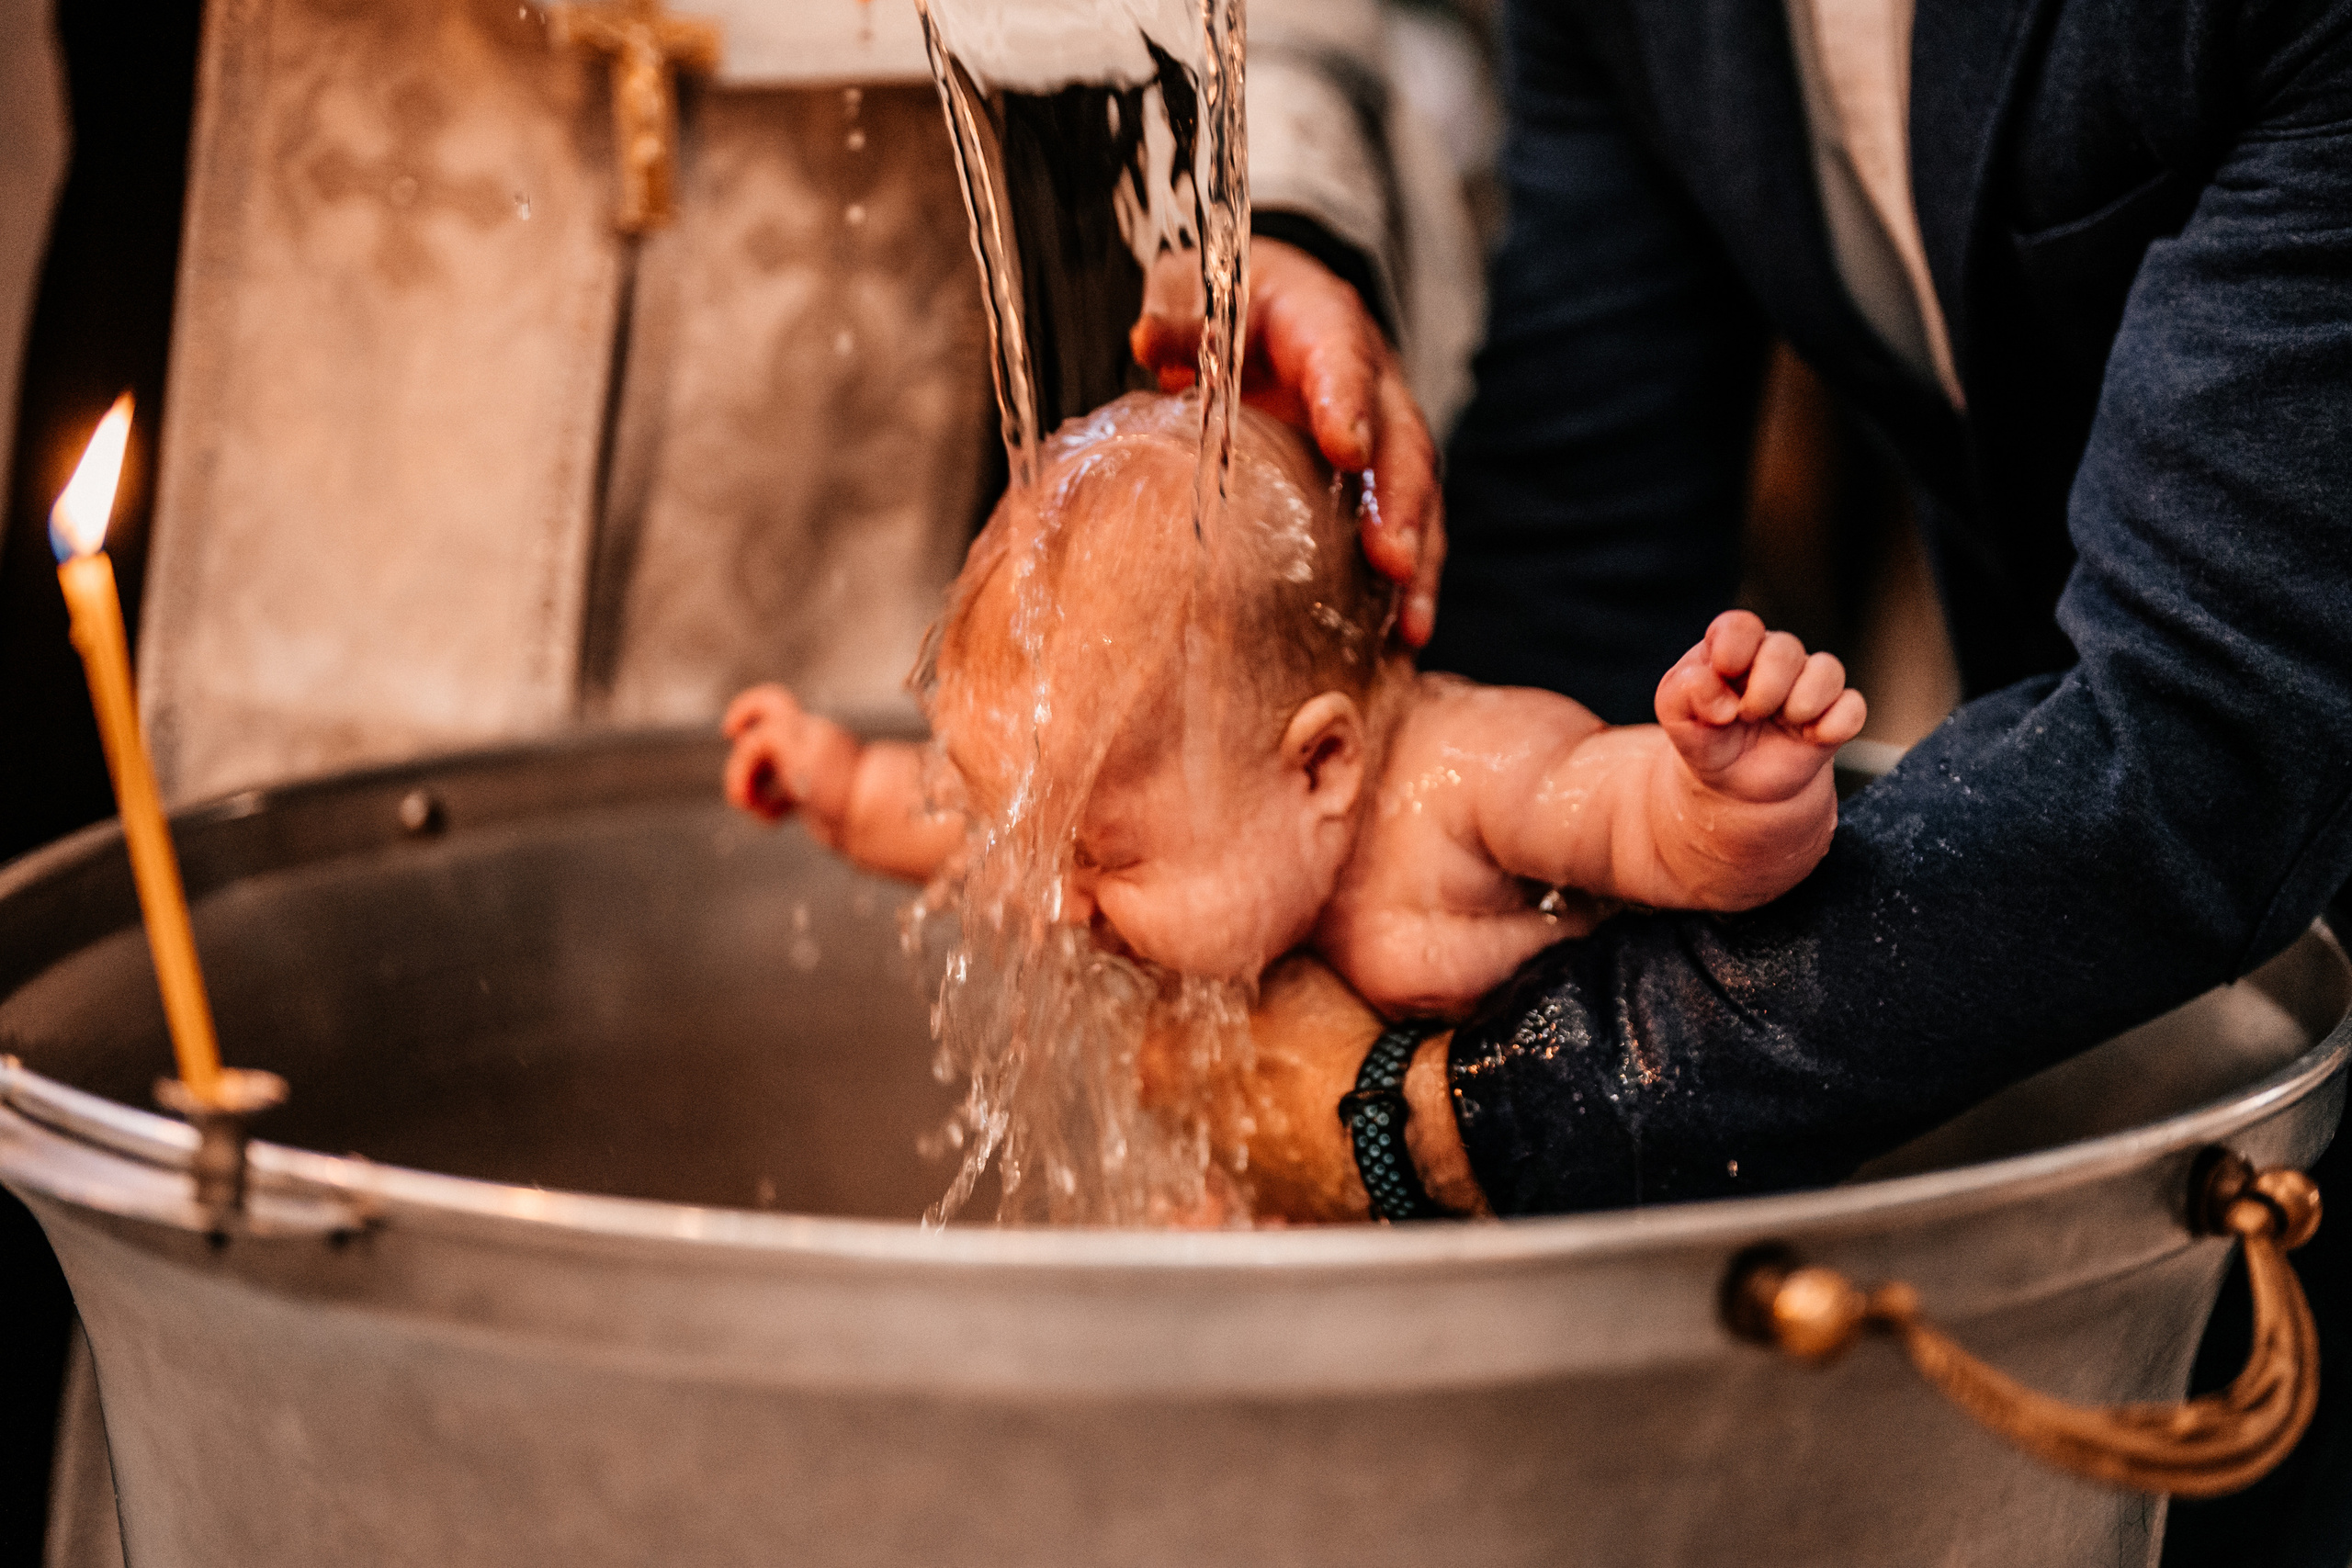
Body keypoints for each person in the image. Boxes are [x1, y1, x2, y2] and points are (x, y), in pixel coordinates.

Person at [1121, 0, 2352, 1557]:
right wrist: (1386, 885)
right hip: (2098, 903)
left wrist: (1425, 1123)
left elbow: (2202, 740)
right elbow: (1588, 553)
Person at [722, 390, 1864, 1022]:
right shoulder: (1115, 857)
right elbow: (957, 827)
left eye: (1104, 859)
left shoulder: (1459, 783)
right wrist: (833, 781)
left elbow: (1639, 827)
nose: (1057, 909)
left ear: (1318, 766)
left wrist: (1734, 795)